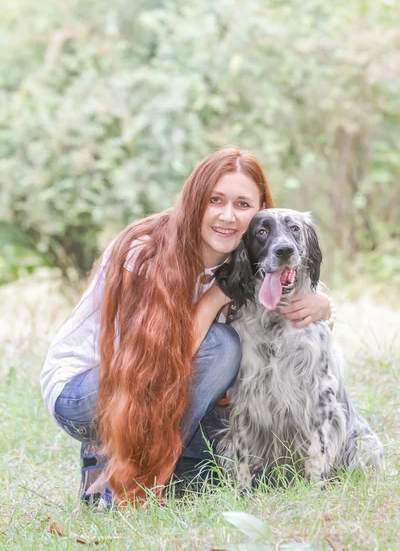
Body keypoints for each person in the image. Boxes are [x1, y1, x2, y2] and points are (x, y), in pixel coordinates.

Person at [40, 146, 332, 506]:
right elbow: (152, 363)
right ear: (195, 201)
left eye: (243, 205)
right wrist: (213, 298)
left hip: (159, 391)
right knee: (222, 347)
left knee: (203, 478)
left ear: (260, 212)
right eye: (215, 200)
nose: (227, 216)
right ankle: (117, 467)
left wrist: (322, 305)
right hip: (85, 391)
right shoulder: (145, 252)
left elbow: (287, 330)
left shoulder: (245, 262)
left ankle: (126, 459)